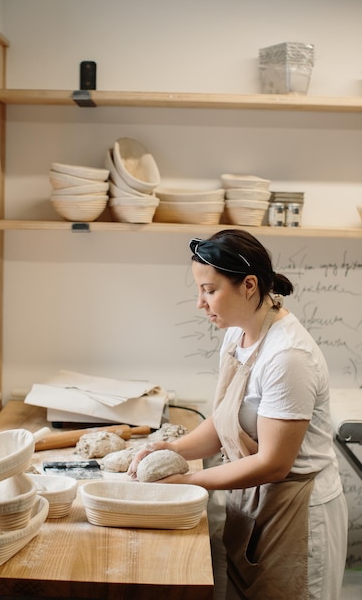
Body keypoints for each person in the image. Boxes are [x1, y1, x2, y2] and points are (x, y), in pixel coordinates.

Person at [128, 229, 348, 600]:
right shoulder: (238, 334)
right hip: (253, 504)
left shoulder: (287, 357)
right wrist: (172, 449)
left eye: (209, 290)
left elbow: (274, 463)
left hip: (295, 514)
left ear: (248, 285)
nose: (200, 302)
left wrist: (187, 485)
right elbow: (224, 421)